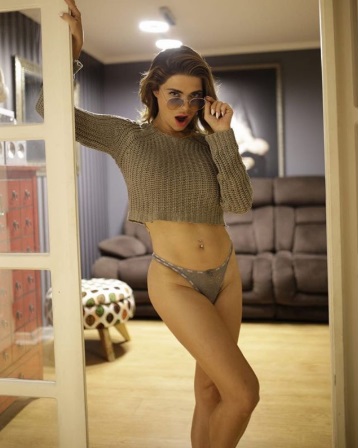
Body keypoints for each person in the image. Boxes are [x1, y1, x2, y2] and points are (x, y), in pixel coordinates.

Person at [51, 1, 259, 447]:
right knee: (244, 393)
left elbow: (240, 203)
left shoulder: (209, 144)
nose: (185, 106)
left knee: (211, 391)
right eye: (174, 95)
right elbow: (50, 108)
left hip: (226, 275)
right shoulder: (128, 137)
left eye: (195, 97)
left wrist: (223, 137)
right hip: (175, 280)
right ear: (155, 93)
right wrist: (73, 53)